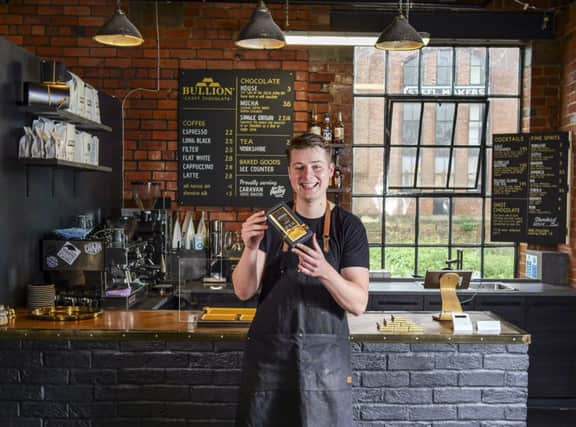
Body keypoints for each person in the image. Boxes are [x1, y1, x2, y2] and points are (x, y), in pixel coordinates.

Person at [232, 132, 370, 427]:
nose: (308, 175)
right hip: (270, 362)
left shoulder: (349, 227)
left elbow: (358, 303)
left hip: (326, 366)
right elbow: (244, 290)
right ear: (289, 173)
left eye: (317, 166)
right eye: (299, 167)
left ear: (331, 172)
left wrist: (324, 270)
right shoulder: (270, 222)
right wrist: (250, 247)